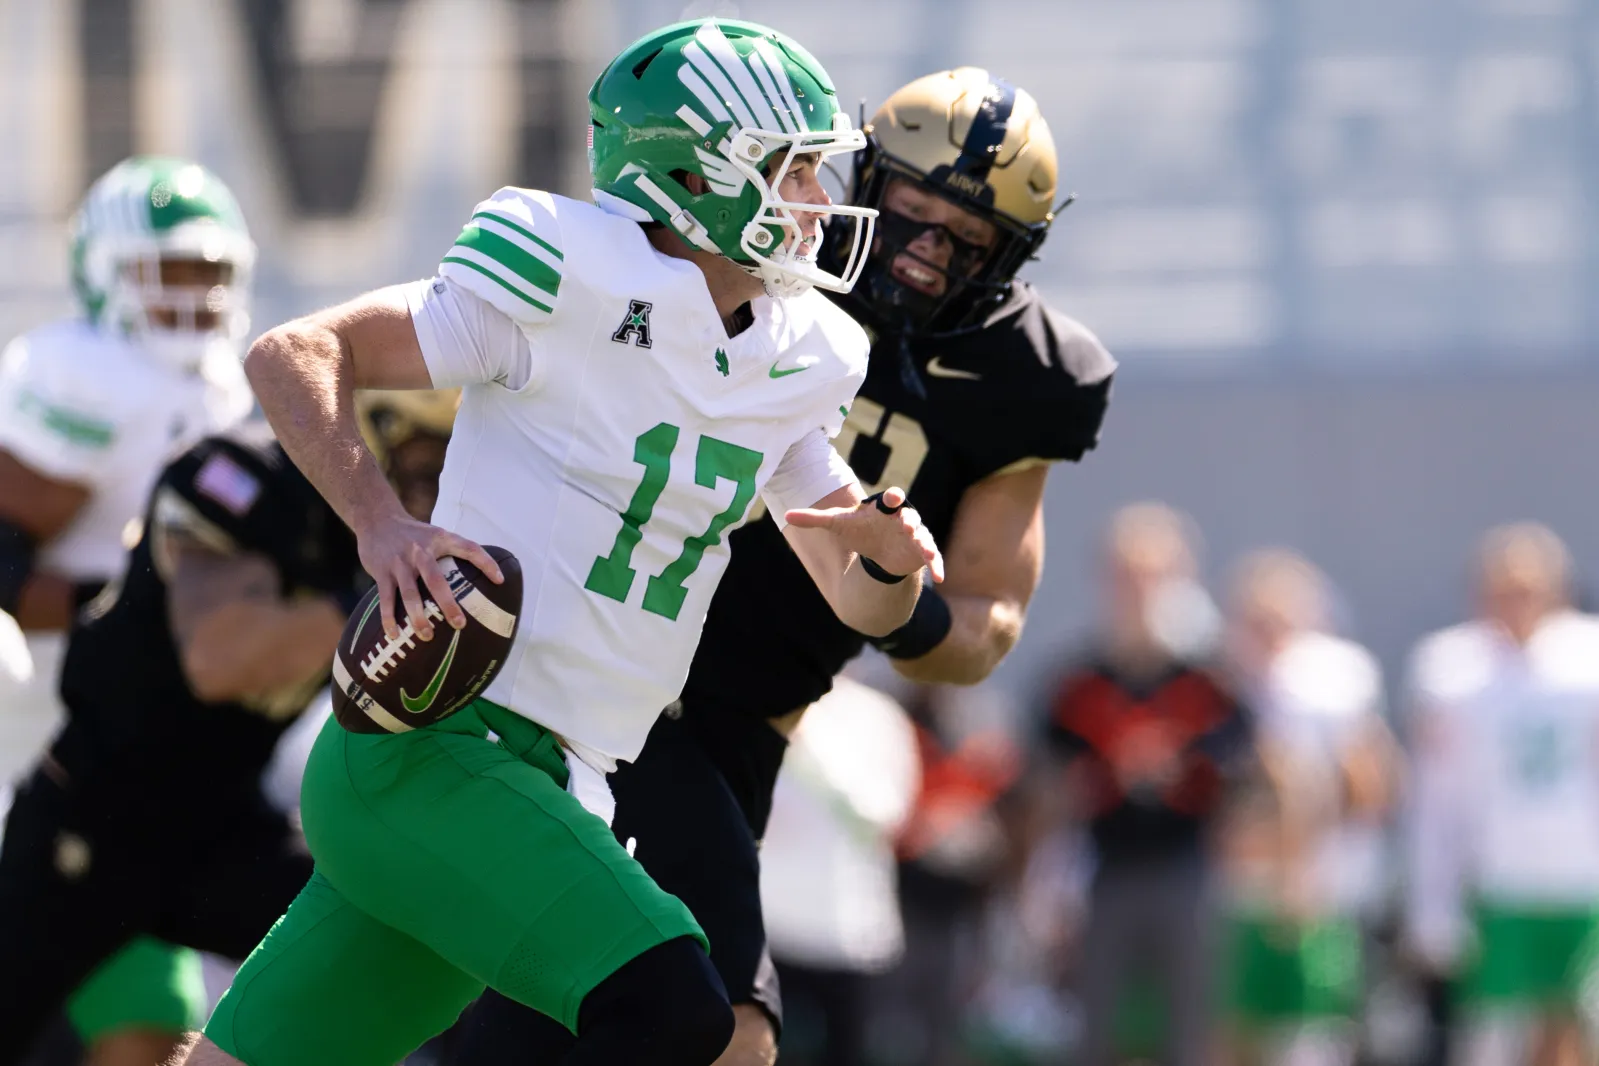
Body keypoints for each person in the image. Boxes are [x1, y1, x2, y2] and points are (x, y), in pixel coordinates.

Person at [178, 18, 941, 1066]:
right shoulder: (566, 274)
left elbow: (856, 594)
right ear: (697, 171)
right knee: (677, 1008)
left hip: (555, 776)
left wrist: (891, 564)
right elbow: (297, 352)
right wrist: (381, 522)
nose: (817, 200)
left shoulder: (802, 353)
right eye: (794, 169)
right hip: (437, 740)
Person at [455, 64, 1115, 1066]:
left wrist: (894, 598)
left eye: (965, 238)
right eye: (908, 211)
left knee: (600, 1017)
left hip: (737, 721)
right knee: (700, 1024)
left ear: (1009, 257)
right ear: (859, 177)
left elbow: (985, 620)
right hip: (598, 664)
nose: (925, 255)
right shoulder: (758, 261)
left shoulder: (1029, 375)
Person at [0, 389, 457, 1063]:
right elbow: (219, 659)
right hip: (96, 818)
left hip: (221, 826)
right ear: (371, 433)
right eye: (425, 466)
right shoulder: (241, 476)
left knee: (404, 935)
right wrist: (379, 595)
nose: (437, 492)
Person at [0, 156, 256, 1066]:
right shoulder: (79, 375)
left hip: (152, 762)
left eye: (209, 272)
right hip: (36, 749)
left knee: (150, 1016)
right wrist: (128, 608)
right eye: (168, 271)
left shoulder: (234, 389)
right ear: (106, 275)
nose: (191, 296)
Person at [1043, 502, 1250, 1066]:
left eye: (1153, 574)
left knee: (1191, 1025)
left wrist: (1178, 769)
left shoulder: (1213, 681)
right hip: (1105, 870)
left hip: (1190, 871)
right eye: (1127, 575)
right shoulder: (1079, 680)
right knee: (1096, 1027)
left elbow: (1245, 776)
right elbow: (1047, 779)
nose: (1139, 590)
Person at [1403, 523, 1599, 1066]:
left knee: (1577, 1029)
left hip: (1580, 881)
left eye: (1531, 588)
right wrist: (1432, 903)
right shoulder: (1451, 672)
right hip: (1497, 882)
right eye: (1503, 588)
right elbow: (1436, 797)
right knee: (1491, 1038)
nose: (1517, 603)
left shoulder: (1589, 661)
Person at [1219, 550, 1399, 1066]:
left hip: (1316, 887)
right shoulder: (1222, 686)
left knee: (1310, 1031)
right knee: (1233, 1026)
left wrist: (1301, 849)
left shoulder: (1335, 687)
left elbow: (1370, 784)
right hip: (1237, 886)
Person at [757, 676, 921, 1066]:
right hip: (767, 939)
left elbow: (886, 817)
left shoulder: (876, 716)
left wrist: (810, 745)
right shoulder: (758, 702)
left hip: (848, 943)